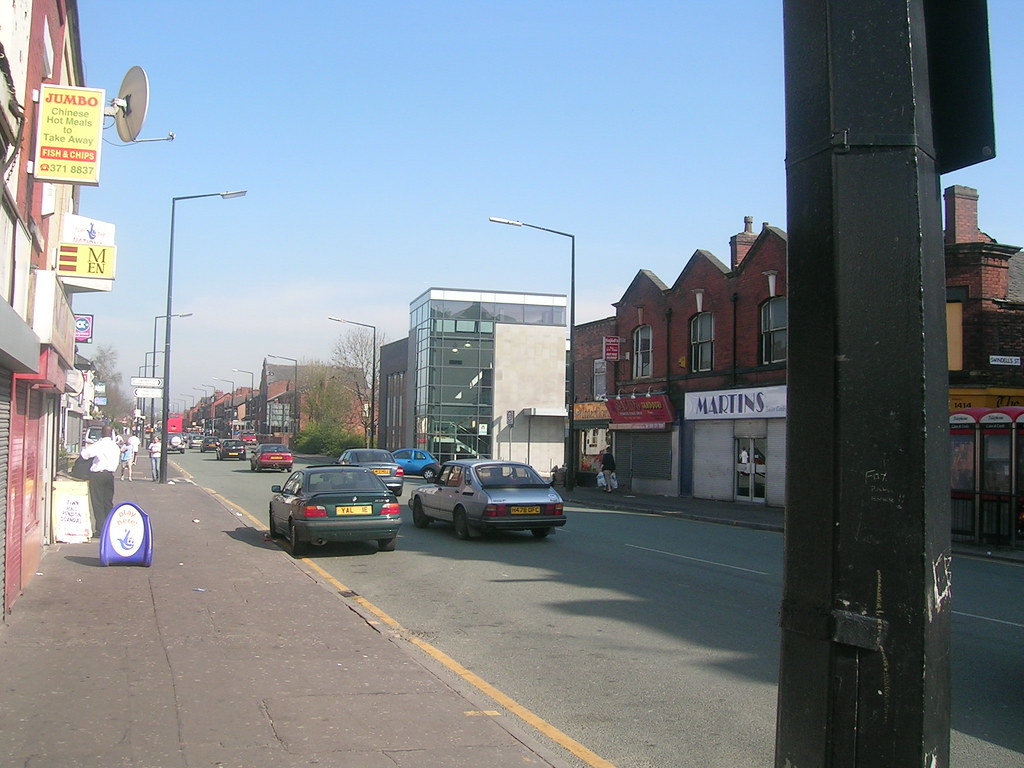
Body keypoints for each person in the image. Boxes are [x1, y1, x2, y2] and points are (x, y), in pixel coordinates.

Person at [78, 425, 120, 532]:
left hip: (98, 474)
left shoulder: (98, 445)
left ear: (101, 433)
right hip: (110, 475)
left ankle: (100, 528)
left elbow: (84, 455)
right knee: (108, 502)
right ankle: (108, 526)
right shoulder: (115, 447)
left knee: (97, 502)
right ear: (111, 434)